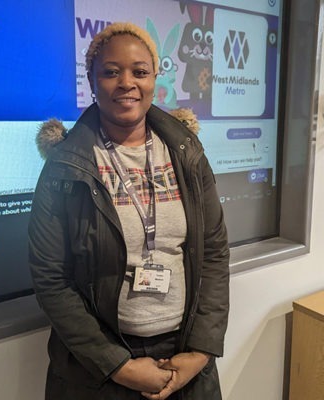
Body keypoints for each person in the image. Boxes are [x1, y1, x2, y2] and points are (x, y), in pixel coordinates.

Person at [28, 22, 229, 400]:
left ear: (155, 78)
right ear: (91, 80)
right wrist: (117, 365)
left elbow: (215, 253)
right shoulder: (65, 166)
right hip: (98, 372)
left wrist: (201, 351)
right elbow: (50, 278)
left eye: (139, 71)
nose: (126, 82)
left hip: (186, 357)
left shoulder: (187, 155)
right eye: (110, 72)